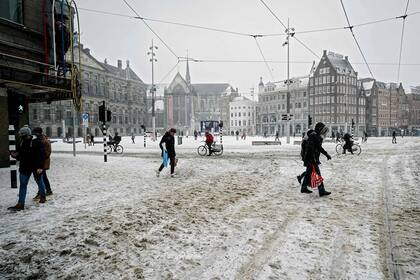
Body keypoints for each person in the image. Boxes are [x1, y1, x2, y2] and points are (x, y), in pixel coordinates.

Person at [8, 126, 47, 211]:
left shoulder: (37, 142)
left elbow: (42, 155)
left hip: (36, 166)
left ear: (26, 135)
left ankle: (43, 197)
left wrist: (40, 167)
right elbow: (21, 154)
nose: (20, 137)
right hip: (25, 167)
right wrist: (15, 155)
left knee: (39, 181)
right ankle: (20, 203)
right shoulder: (22, 142)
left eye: (21, 135)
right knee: (23, 185)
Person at [301, 122, 332, 196]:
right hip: (311, 159)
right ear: (319, 129)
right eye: (322, 129)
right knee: (318, 174)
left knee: (308, 173)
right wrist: (325, 155)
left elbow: (318, 148)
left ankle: (304, 187)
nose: (323, 132)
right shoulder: (313, 136)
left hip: (311, 159)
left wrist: (325, 154)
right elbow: (313, 148)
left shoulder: (315, 135)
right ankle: (321, 191)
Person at [32, 127, 53, 199]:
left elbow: (48, 152)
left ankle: (42, 192)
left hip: (43, 162)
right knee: (43, 176)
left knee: (41, 177)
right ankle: (47, 190)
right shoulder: (40, 140)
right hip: (40, 162)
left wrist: (42, 158)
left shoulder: (45, 141)